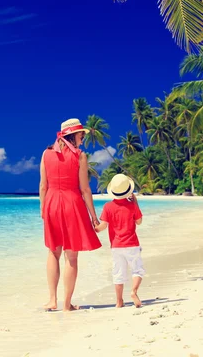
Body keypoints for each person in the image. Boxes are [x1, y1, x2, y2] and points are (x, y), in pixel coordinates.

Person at [39, 118, 102, 312]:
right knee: (71, 257)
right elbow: (85, 189)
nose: (82, 140)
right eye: (81, 136)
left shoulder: (46, 153)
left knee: (53, 251)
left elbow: (43, 186)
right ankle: (66, 304)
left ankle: (52, 300)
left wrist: (43, 210)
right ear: (72, 135)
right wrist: (94, 217)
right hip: (71, 204)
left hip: (50, 204)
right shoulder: (80, 156)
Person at [95, 173, 145, 308]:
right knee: (138, 270)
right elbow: (139, 222)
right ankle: (134, 291)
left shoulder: (108, 207)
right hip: (132, 244)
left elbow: (103, 226)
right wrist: (135, 202)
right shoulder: (132, 206)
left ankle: (119, 302)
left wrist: (96, 228)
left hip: (116, 246)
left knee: (118, 273)